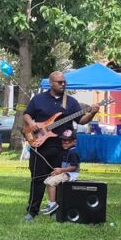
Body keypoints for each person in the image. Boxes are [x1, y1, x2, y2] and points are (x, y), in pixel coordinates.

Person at [23, 71, 98, 221]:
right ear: (51, 83)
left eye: (64, 82)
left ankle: (56, 210)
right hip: (40, 145)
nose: (63, 84)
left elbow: (81, 120)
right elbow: (26, 114)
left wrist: (92, 113)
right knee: (37, 179)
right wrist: (32, 124)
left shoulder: (71, 102)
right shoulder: (38, 99)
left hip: (62, 146)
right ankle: (32, 210)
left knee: (59, 179)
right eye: (59, 82)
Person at [41, 129, 80, 216]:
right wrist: (58, 172)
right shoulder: (67, 151)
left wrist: (61, 170)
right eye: (63, 140)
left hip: (71, 175)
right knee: (47, 181)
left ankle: (53, 204)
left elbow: (74, 167)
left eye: (68, 141)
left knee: (51, 182)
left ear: (74, 142)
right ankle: (50, 203)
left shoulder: (73, 153)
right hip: (65, 173)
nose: (65, 143)